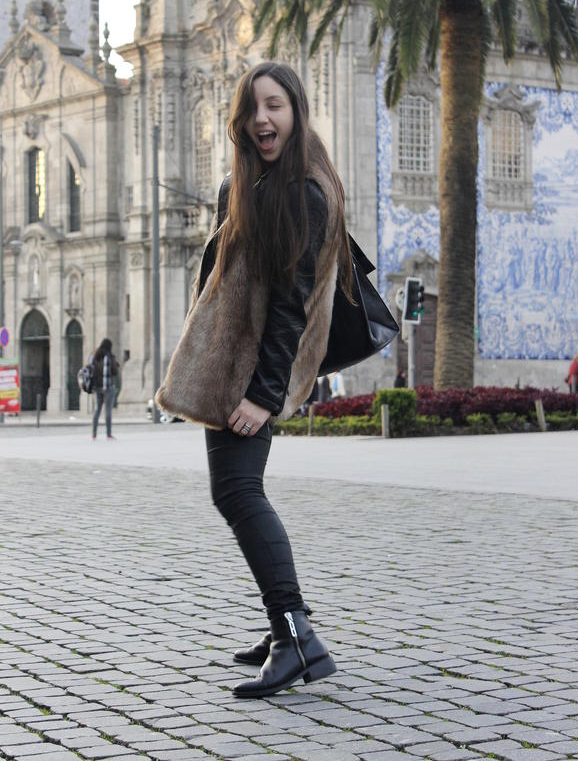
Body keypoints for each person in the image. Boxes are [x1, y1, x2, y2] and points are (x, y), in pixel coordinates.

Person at [158, 62, 353, 698]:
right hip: (234, 362)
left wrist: (263, 395)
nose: (261, 119)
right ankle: (283, 628)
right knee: (239, 491)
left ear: (296, 112)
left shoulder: (301, 191)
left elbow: (291, 305)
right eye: (251, 109)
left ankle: (296, 637)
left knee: (238, 493)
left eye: (275, 106)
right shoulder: (255, 184)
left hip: (248, 370)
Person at [91, 338, 118, 440]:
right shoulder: (109, 357)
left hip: (97, 387)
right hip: (108, 387)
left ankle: (94, 434)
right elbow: (114, 371)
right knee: (108, 411)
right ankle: (108, 434)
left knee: (97, 410)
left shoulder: (95, 357)